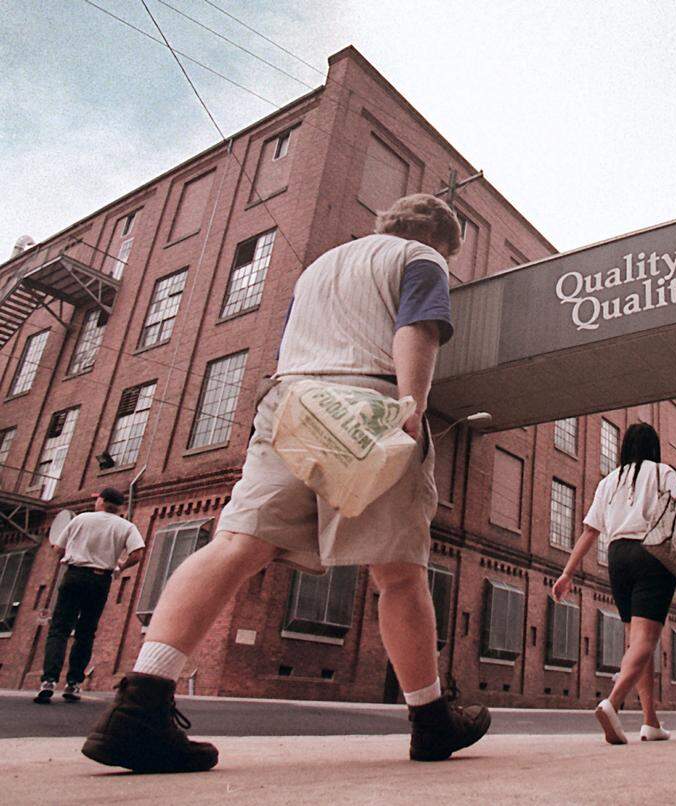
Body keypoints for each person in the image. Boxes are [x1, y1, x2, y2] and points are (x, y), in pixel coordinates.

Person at [82, 194, 489, 772]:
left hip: (291, 402)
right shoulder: (423, 258)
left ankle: (140, 704)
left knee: (236, 543)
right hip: (368, 403)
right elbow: (416, 328)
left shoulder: (320, 267)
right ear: (443, 241)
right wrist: (412, 404)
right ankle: (430, 719)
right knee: (398, 571)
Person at [552, 423, 676, 745]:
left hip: (617, 556)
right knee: (645, 639)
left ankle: (650, 721)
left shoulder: (609, 481)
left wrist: (567, 573)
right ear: (653, 447)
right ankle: (613, 702)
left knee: (638, 641)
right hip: (652, 552)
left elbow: (589, 531)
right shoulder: (664, 473)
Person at [34, 488, 144, 704]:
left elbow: (59, 549)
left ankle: (48, 681)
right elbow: (137, 553)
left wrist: (68, 552)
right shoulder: (126, 526)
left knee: (59, 629)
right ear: (119, 506)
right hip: (100, 580)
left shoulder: (81, 519)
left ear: (101, 501)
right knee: (86, 632)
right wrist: (120, 566)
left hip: (74, 575)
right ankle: (73, 683)